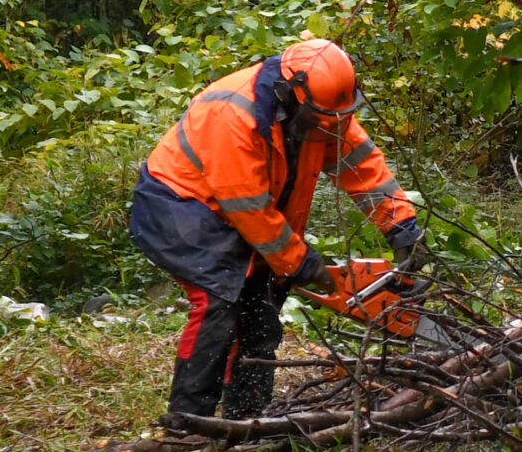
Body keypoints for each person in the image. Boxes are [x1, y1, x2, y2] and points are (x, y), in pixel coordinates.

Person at [128, 38, 424, 424]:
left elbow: (363, 167)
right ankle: (188, 422)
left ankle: (246, 419)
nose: (329, 127)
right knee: (220, 301)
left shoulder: (327, 112)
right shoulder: (234, 115)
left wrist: (401, 227)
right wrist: (304, 264)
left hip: (246, 211)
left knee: (262, 308)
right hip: (180, 203)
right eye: (320, 117)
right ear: (291, 94)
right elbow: (247, 208)